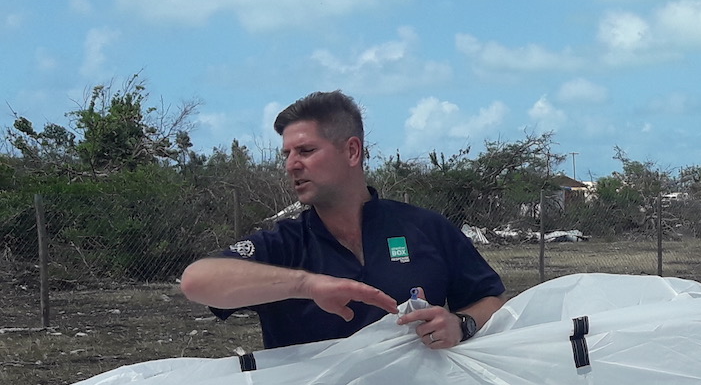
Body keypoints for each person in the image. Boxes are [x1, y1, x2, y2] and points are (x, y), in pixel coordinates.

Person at [181, 91, 505, 350]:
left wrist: (461, 324)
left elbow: (492, 301)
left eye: (305, 150)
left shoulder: (426, 229)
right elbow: (197, 280)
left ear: (352, 151)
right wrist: (306, 285)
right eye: (286, 154)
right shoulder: (286, 245)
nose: (291, 165)